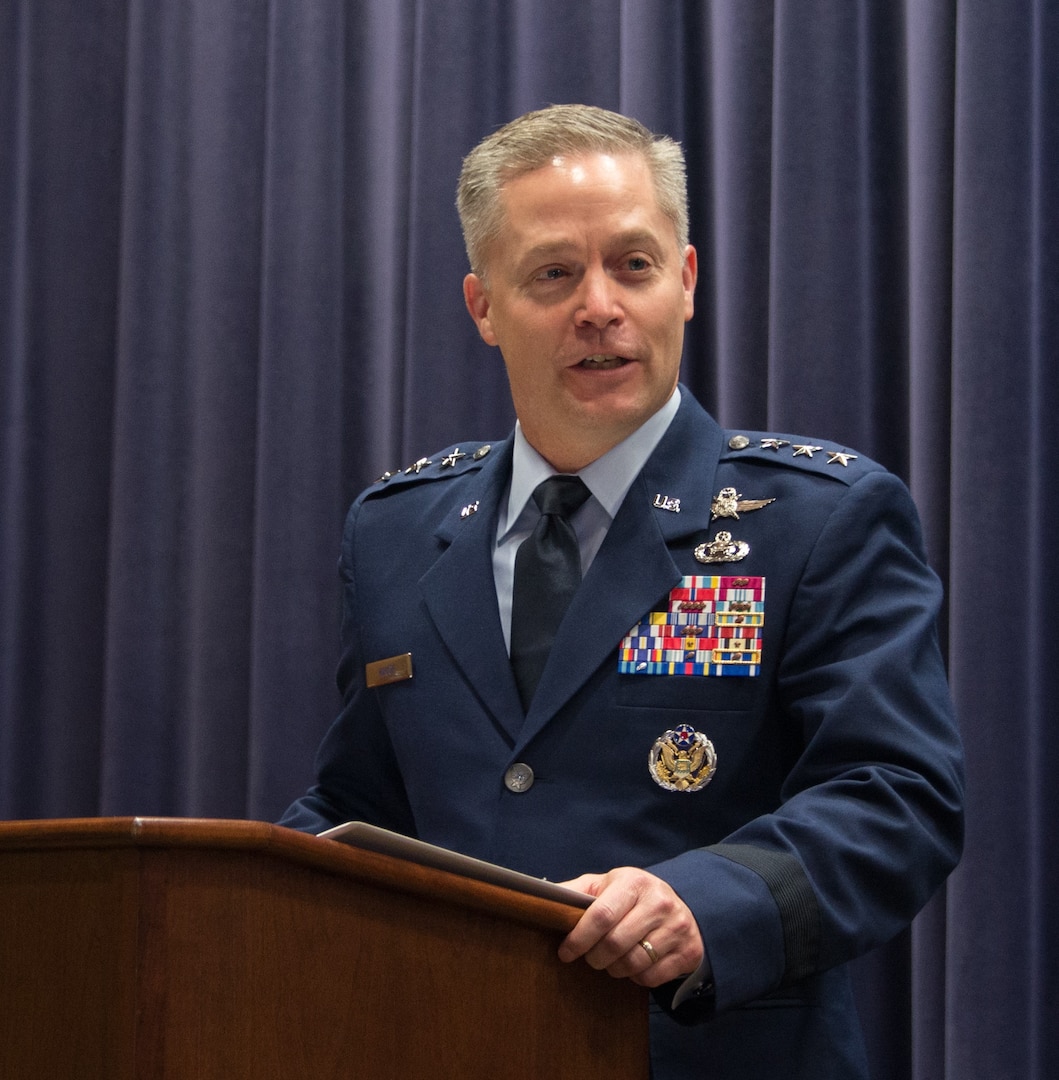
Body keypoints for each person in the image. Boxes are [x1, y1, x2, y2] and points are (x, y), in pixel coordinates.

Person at [280, 104, 964, 1079]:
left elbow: (899, 797)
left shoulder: (819, 519)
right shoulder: (394, 533)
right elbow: (365, 803)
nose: (599, 305)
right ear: (482, 307)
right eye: (554, 274)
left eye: (633, 266)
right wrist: (246, 893)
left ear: (683, 283)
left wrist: (707, 902)